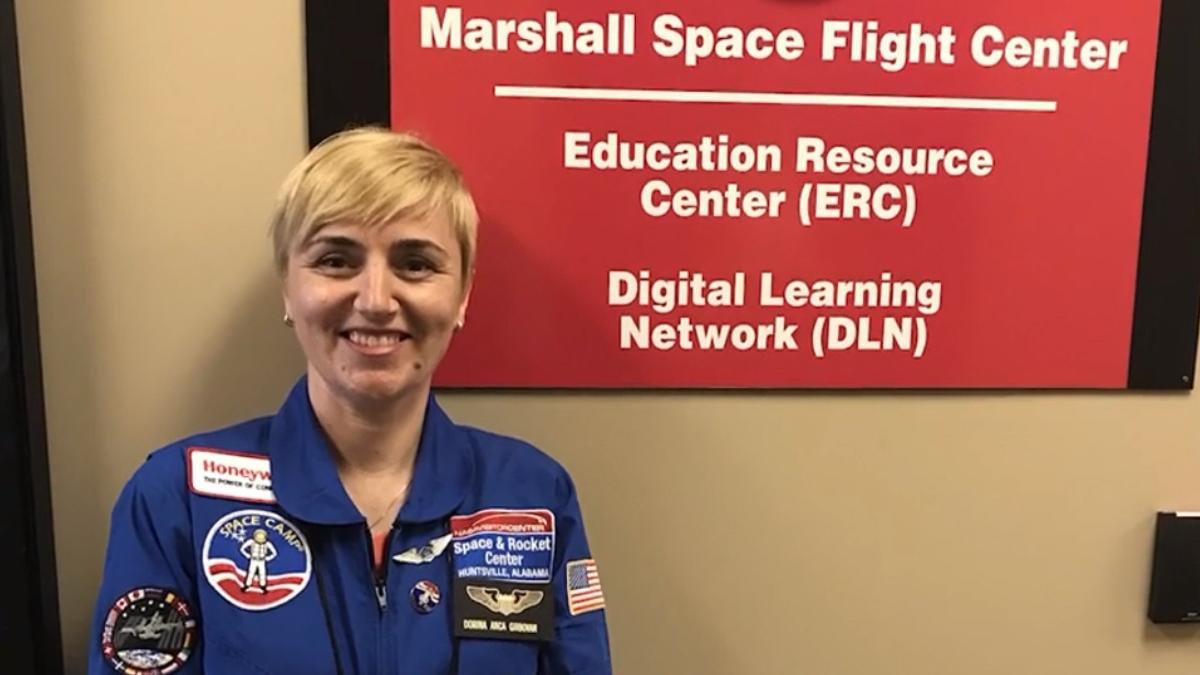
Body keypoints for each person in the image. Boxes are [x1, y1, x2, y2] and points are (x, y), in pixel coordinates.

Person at [88, 128, 612, 674]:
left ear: (462, 295)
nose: (376, 300)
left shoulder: (530, 493)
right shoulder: (177, 499)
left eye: (415, 263)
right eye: (337, 260)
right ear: (287, 287)